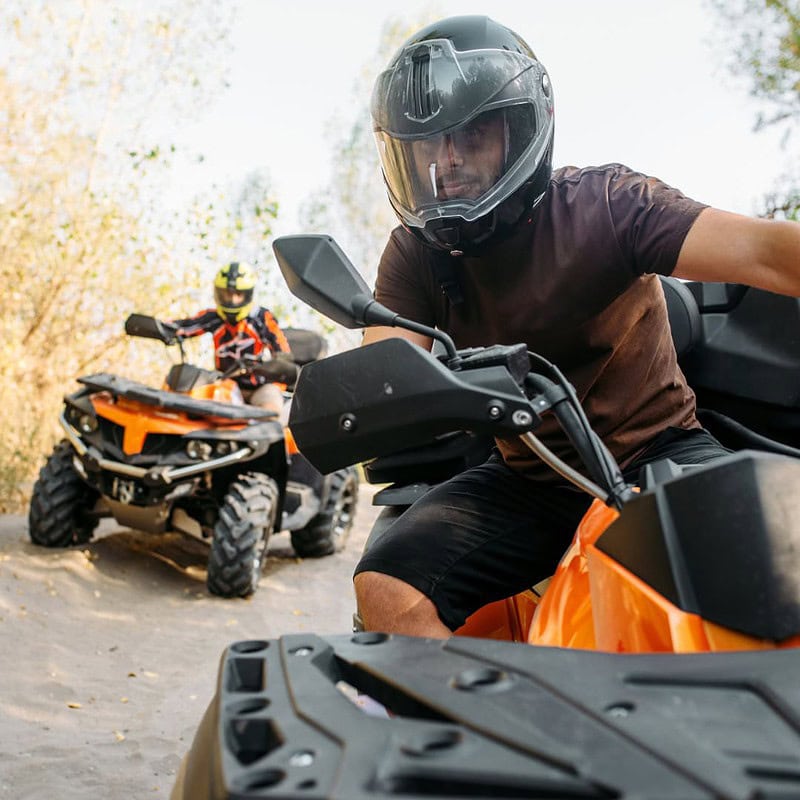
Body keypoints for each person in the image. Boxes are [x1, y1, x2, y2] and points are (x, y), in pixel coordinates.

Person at [352, 15, 800, 639]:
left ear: (522, 127)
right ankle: (465, 732)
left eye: (472, 133)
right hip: (530, 476)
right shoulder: (414, 254)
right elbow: (385, 376)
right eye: (428, 144)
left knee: (772, 556)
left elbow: (764, 252)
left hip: (658, 450)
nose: (447, 160)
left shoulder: (607, 205)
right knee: (385, 585)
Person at [171, 261, 291, 416]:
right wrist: (157, 327)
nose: (233, 300)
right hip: (225, 384)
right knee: (197, 409)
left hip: (260, 386)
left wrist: (281, 365)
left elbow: (283, 350)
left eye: (238, 294)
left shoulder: (262, 318)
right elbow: (183, 326)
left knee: (271, 411)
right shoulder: (213, 317)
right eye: (228, 293)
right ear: (219, 293)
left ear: (247, 295)